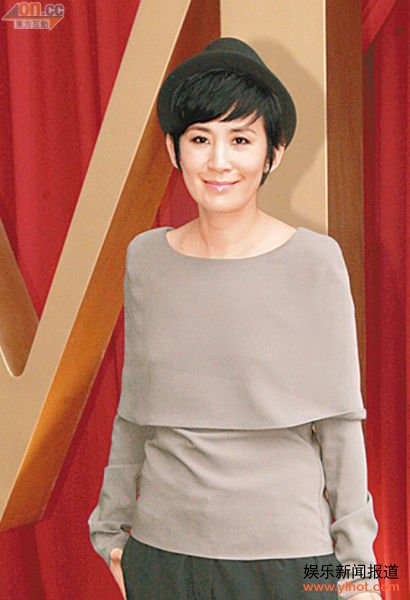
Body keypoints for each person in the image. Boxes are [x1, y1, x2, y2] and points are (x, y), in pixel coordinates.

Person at [88, 38, 382, 600]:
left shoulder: (315, 261)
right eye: (200, 139)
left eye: (241, 139)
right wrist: (110, 534)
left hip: (289, 561)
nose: (218, 161)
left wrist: (359, 571)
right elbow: (135, 411)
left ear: (274, 153)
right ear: (174, 149)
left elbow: (341, 424)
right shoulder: (146, 258)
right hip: (162, 557)